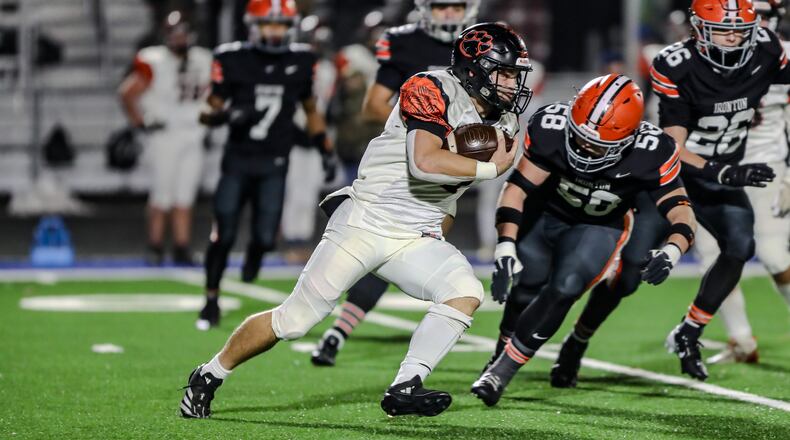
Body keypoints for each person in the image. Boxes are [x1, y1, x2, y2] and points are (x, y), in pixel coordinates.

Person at [179, 22, 532, 418]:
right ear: (475, 68)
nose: (511, 83)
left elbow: (449, 190)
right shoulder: (430, 87)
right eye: (504, 72)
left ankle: (405, 384)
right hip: (366, 220)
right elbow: (424, 163)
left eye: (515, 74)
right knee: (294, 320)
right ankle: (207, 375)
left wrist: (439, 226)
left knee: (464, 291)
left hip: (416, 233)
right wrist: (486, 170)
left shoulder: (506, 120)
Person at [549, 0, 789, 385]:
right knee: (628, 276)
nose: (734, 37)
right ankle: (575, 344)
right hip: (669, 176)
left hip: (721, 174)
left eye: (740, 29)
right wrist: (723, 170)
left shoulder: (768, 48)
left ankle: (689, 332)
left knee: (740, 246)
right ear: (698, 30)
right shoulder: (676, 63)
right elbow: (672, 144)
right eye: (723, 29)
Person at [469, 74, 697, 406]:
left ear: (628, 138)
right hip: (546, 211)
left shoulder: (653, 150)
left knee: (566, 287)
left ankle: (501, 372)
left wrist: (673, 250)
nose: (585, 148)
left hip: (600, 223)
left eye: (598, 145)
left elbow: (681, 209)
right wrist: (504, 246)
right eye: (578, 137)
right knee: (526, 286)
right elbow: (517, 188)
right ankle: (499, 352)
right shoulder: (550, 125)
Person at [310, 0, 480, 367]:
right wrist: (427, 125)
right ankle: (338, 331)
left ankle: (347, 338)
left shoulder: (480, 44)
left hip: (448, 170)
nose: (449, 15)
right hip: (407, 166)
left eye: (456, 7)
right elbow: (373, 106)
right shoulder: (406, 43)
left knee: (408, 252)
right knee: (387, 246)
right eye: (441, 6)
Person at [194, 0, 336, 330]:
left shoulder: (301, 60)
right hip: (238, 160)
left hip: (275, 161)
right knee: (223, 233)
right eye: (269, 25)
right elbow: (206, 111)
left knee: (265, 236)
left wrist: (324, 150)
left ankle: (256, 255)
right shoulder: (232, 58)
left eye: (282, 25)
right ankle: (211, 299)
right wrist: (227, 115)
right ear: (253, 26)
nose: (275, 32)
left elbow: (311, 110)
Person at [696, 0, 790, 364]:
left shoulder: (780, 55)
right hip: (716, 166)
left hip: (766, 163)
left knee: (771, 253)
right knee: (712, 255)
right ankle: (741, 340)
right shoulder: (705, 55)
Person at [118, 11, 212, 266]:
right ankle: (155, 246)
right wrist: (140, 122)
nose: (180, 38)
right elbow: (127, 92)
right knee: (162, 195)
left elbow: (214, 94)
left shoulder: (203, 59)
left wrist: (210, 117)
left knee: (184, 196)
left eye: (184, 33)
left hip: (192, 135)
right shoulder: (154, 60)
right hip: (164, 135)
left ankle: (181, 247)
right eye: (176, 33)